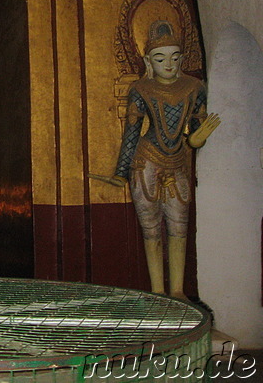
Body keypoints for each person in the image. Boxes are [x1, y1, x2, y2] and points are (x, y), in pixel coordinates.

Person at [90, 20, 220, 299]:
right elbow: (132, 133)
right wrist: (121, 171)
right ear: (149, 60)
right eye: (160, 58)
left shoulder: (194, 87)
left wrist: (197, 140)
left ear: (182, 59)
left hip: (179, 161)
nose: (169, 64)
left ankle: (177, 290)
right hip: (145, 161)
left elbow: (196, 134)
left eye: (175, 58)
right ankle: (158, 290)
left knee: (178, 226)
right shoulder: (141, 89)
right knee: (151, 229)